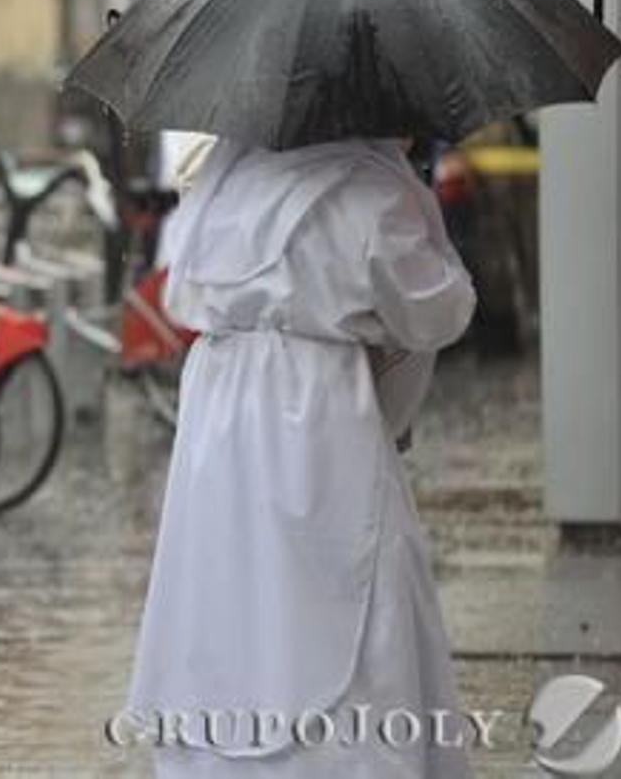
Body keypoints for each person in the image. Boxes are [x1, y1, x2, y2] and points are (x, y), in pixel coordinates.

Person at [127, 138, 477, 776]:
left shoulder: (223, 181)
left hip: (219, 415)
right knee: (345, 604)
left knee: (226, 591)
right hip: (319, 414)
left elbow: (180, 283)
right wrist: (433, 231)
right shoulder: (375, 191)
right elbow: (434, 312)